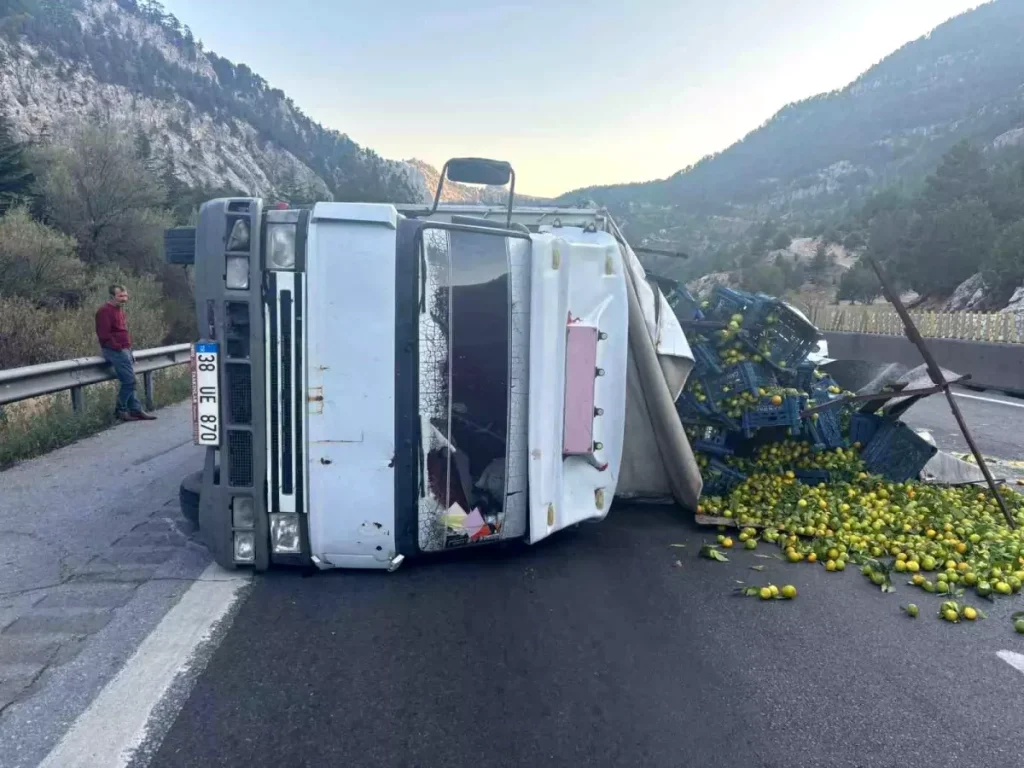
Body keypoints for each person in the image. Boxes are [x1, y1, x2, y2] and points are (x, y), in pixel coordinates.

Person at [95, 284, 157, 421]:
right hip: (115, 350)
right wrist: (118, 347)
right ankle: (120, 410)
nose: (124, 299)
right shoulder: (104, 311)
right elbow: (104, 335)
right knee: (129, 381)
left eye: (125, 296)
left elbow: (121, 331)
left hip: (125, 349)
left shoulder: (119, 310)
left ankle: (135, 410)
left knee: (131, 381)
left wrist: (128, 349)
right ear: (112, 296)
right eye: (120, 296)